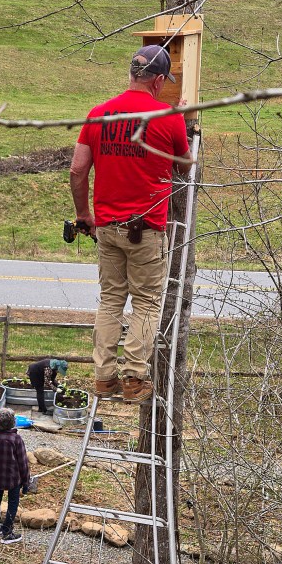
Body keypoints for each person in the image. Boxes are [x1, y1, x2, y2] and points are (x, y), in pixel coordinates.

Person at [69, 43, 190, 404]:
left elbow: (77, 170)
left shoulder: (99, 114)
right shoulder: (167, 118)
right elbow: (183, 166)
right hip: (146, 228)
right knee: (147, 303)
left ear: (132, 74)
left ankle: (103, 378)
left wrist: (83, 216)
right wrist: (181, 122)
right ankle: (134, 379)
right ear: (156, 80)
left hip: (106, 226)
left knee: (110, 301)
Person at [0, 408, 31, 545]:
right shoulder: (16, 439)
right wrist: (26, 482)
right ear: (13, 422)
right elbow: (23, 462)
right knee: (13, 503)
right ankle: (7, 532)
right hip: (13, 478)